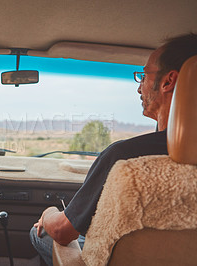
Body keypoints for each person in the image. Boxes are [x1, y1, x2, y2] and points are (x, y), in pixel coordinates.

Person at [30, 33, 197, 266]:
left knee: (40, 232)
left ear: (168, 82)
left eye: (144, 76)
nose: (139, 89)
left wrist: (48, 214)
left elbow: (62, 232)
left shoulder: (125, 159)